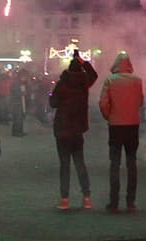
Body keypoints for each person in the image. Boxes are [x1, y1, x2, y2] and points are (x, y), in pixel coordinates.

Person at [48, 50, 97, 211]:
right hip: (77, 129)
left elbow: (53, 103)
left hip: (62, 128)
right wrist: (83, 61)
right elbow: (94, 75)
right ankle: (87, 197)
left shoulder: (62, 84)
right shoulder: (84, 84)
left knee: (65, 165)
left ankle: (64, 199)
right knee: (80, 162)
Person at [98, 51, 143, 213]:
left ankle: (114, 202)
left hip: (116, 126)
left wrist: (109, 116)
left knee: (115, 164)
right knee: (132, 163)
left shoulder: (110, 80)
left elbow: (103, 103)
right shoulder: (137, 81)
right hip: (132, 126)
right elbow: (140, 101)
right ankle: (131, 202)